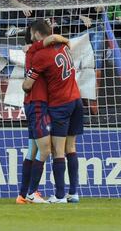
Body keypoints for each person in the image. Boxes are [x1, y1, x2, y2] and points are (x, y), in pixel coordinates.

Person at [23, 19, 83, 203]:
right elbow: (62, 40)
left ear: (37, 34)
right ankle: (73, 193)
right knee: (71, 148)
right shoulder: (64, 46)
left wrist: (25, 84)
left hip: (60, 104)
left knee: (57, 151)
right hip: (76, 100)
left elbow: (28, 85)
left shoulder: (41, 55)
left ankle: (59, 196)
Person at [17, 26, 69, 204]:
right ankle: (33, 193)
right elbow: (51, 38)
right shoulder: (35, 49)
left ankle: (22, 195)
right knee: (45, 149)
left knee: (32, 150)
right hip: (37, 104)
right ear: (36, 35)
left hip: (33, 103)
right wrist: (65, 40)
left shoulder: (34, 52)